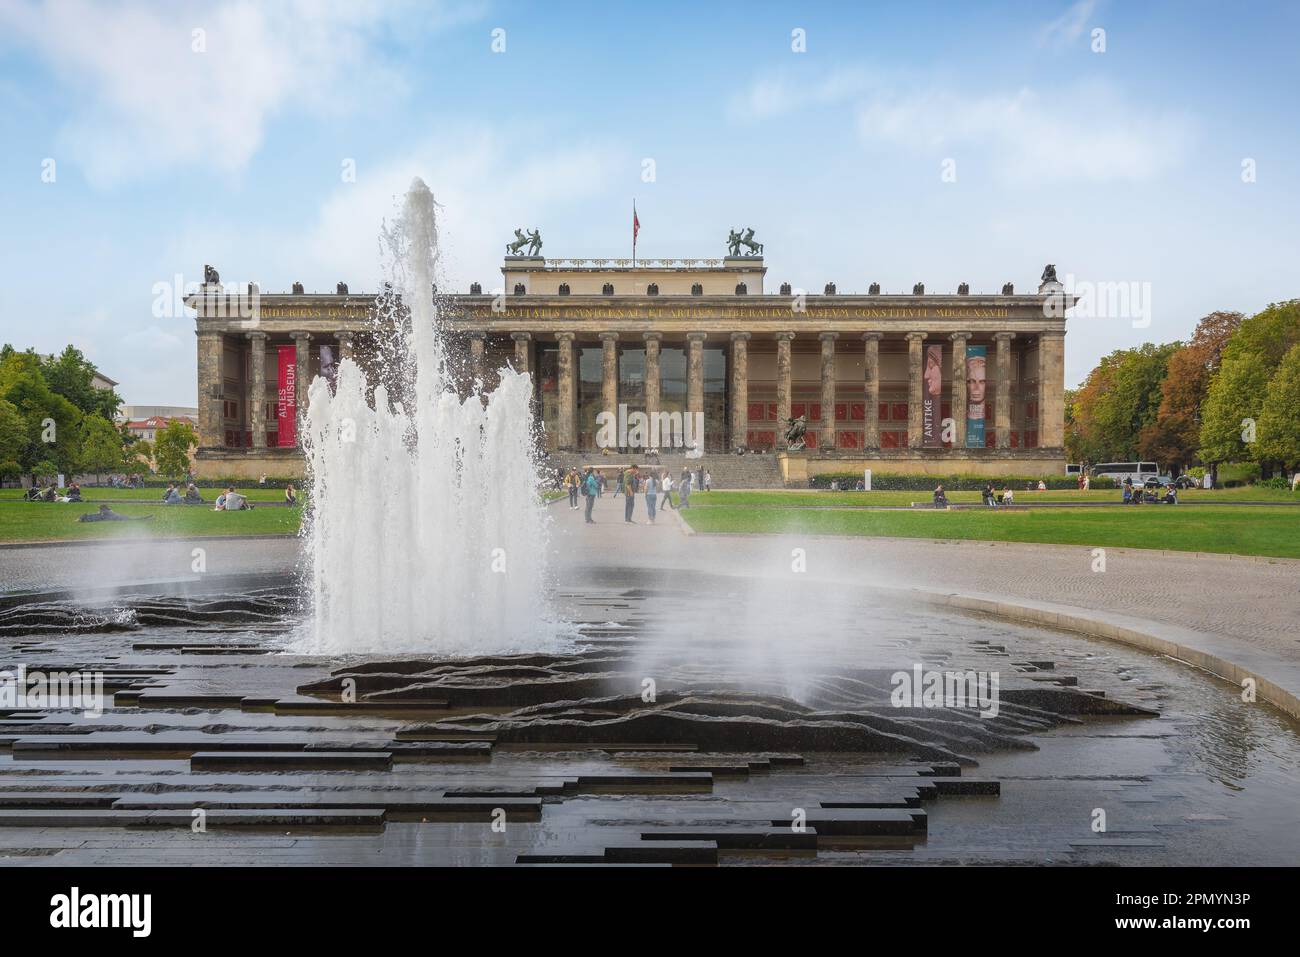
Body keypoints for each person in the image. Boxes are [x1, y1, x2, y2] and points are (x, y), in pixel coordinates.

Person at [78, 504, 151, 523]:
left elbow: (98, 515)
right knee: (133, 518)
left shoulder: (105, 512)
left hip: (120, 518)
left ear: (102, 509)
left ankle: (148, 518)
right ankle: (148, 518)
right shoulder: (108, 511)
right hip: (120, 517)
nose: (99, 510)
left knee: (133, 519)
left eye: (100, 509)